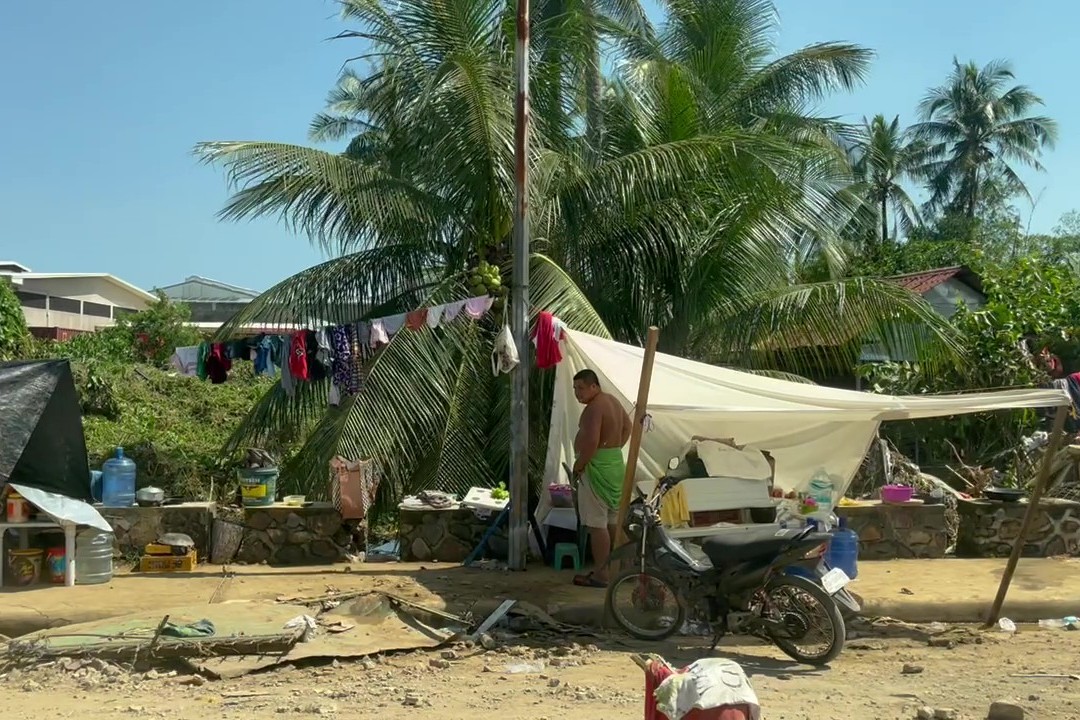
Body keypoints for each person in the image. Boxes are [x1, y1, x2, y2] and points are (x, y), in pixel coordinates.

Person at [570, 368, 632, 587]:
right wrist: (613, 449)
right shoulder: (613, 402)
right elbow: (628, 427)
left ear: (594, 386)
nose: (578, 393)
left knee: (598, 525)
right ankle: (626, 569)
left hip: (596, 467)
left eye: (581, 388)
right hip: (614, 464)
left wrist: (579, 465)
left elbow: (591, 442)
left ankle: (602, 574)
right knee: (614, 521)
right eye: (575, 388)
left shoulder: (594, 408)